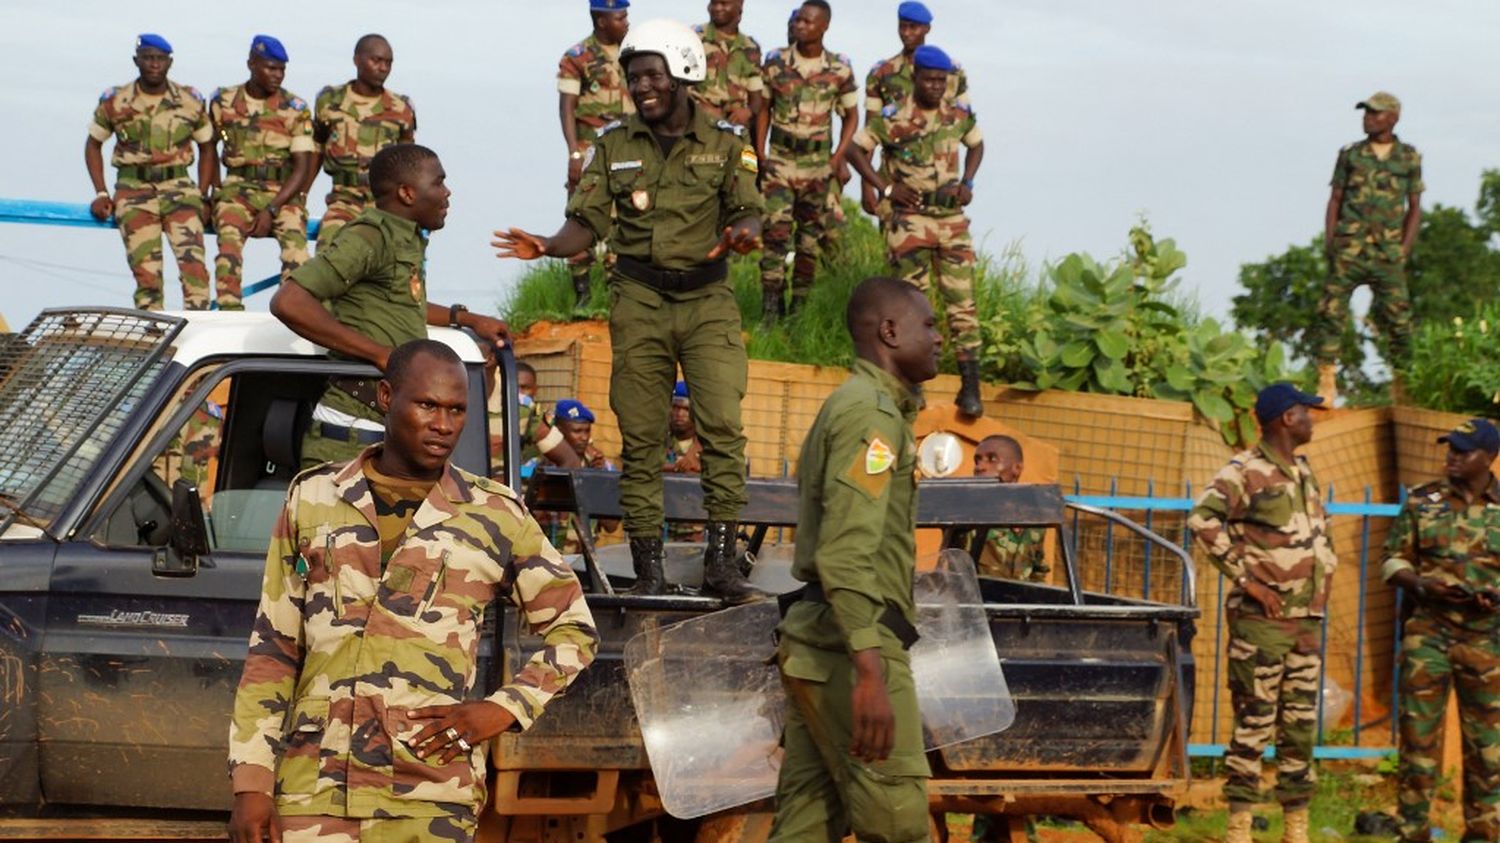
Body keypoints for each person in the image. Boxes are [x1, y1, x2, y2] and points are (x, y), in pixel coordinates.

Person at [226, 339, 599, 843]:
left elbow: (574, 631)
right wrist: (252, 782)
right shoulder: (314, 497)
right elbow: (273, 648)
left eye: (456, 410)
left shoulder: (493, 514)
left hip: (430, 794)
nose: (443, 425)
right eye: (427, 405)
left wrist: (504, 708)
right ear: (386, 398)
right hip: (314, 791)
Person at [492, 19, 766, 604]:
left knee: (721, 426)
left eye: (651, 75)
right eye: (633, 76)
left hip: (707, 300)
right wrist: (546, 244)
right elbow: (585, 224)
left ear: (683, 74)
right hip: (639, 298)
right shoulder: (613, 145)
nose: (640, 86)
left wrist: (743, 234)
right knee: (641, 437)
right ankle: (649, 567)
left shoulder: (725, 142)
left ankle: (723, 563)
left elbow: (749, 212)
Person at [770, 276, 942, 843]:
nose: (939, 338)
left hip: (822, 644)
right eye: (929, 325)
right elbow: (844, 552)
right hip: (851, 650)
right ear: (890, 331)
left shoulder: (863, 406)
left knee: (807, 822)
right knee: (897, 824)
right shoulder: (872, 416)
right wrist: (870, 669)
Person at [270, 143, 507, 468]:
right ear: (408, 193)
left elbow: (403, 304)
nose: (447, 192)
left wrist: (466, 318)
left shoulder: (404, 239)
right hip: (351, 431)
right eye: (438, 182)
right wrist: (379, 355)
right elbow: (290, 301)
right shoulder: (370, 238)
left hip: (384, 430)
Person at [1187, 383, 1336, 843]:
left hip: (1306, 620)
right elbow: (1203, 520)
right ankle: (1239, 827)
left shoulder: (1303, 469)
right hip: (1262, 622)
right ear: (1287, 418)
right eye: (1307, 412)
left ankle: (1296, 826)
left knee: (1299, 725)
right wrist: (1246, 580)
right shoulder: (1244, 471)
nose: (1313, 419)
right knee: (1254, 722)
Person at [846, 44, 986, 417]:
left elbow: (977, 144)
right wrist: (886, 188)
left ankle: (971, 385)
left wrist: (968, 182)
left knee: (963, 304)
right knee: (912, 304)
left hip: (951, 218)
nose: (937, 86)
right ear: (916, 78)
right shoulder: (893, 117)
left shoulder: (957, 112)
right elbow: (855, 151)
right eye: (931, 80)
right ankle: (913, 385)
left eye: (943, 80)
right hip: (911, 222)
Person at [1381, 418, 1500, 843]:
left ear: (1488, 458)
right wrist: (1419, 584)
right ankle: (1412, 832)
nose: (1451, 456)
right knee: (1417, 746)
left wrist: (1492, 597)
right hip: (1427, 635)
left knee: (1488, 750)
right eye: (1449, 448)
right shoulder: (1421, 501)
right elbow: (1392, 560)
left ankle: (1484, 833)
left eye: (1462, 450)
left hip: (1488, 641)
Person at [85, 33, 217, 311]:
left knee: (195, 271)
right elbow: (93, 144)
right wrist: (100, 192)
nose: (154, 65)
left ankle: (200, 336)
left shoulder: (189, 101)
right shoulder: (116, 101)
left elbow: (208, 148)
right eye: (148, 58)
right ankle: (155, 338)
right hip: (134, 192)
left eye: (160, 59)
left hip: (179, 190)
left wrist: (203, 194)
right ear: (137, 61)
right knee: (147, 276)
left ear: (170, 62)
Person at [1315, 91, 1422, 406]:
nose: (1368, 118)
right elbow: (1335, 199)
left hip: (1387, 252)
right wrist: (1331, 241)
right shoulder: (1350, 154)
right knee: (1331, 311)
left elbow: (1414, 207)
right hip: (1350, 248)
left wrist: (1404, 248)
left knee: (1399, 320)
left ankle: (1403, 387)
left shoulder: (1409, 157)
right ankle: (1326, 383)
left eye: (1375, 114)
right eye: (1366, 113)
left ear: (1392, 118)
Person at [756, 0, 858, 326]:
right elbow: (763, 111)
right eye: (799, 20)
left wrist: (837, 158)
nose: (801, 26)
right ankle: (771, 309)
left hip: (817, 167)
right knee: (774, 235)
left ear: (823, 26)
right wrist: (760, 155)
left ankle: (798, 310)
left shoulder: (839, 69)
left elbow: (852, 116)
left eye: (809, 22)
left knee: (809, 241)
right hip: (781, 162)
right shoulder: (775, 62)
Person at [208, 35, 314, 311]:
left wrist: (272, 209)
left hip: (282, 193)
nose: (277, 75)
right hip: (236, 189)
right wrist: (210, 193)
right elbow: (208, 149)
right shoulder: (224, 101)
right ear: (251, 64)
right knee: (228, 248)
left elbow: (302, 166)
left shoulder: (295, 108)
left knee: (297, 254)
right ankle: (229, 315)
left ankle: (291, 312)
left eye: (281, 69)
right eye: (270, 68)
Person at [860, 1, 969, 223]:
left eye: (913, 27)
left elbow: (964, 124)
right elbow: (870, 131)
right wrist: (867, 186)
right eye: (903, 26)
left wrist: (966, 182)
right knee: (897, 249)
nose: (906, 33)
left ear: (926, 29)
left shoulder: (951, 71)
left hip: (941, 180)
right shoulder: (882, 73)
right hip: (899, 178)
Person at [558, 0, 634, 309]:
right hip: (591, 150)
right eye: (620, 17)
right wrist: (574, 153)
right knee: (583, 215)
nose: (626, 22)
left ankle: (619, 295)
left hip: (629, 149)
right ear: (602, 21)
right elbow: (567, 106)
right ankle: (583, 298)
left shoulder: (635, 53)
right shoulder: (578, 57)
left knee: (625, 222)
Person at [311, 34, 417, 250]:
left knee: (396, 261)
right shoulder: (330, 101)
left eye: (388, 63)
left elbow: (411, 165)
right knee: (328, 256)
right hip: (344, 199)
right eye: (376, 60)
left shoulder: (400, 109)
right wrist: (300, 196)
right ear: (357, 60)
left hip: (386, 204)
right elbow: (315, 150)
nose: (383, 68)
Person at [972, 435, 1048, 583]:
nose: (980, 467)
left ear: (1017, 469)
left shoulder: (1034, 521)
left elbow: (1038, 572)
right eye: (977, 460)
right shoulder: (969, 516)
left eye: (992, 459)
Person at [487, 359, 580, 479]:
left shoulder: (530, 415)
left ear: (535, 389)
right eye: (516, 387)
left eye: (524, 387)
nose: (519, 393)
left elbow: (569, 461)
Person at [692, 0, 764, 130]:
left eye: (724, 3)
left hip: (733, 127)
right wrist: (698, 107)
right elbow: (676, 84)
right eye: (714, 3)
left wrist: (747, 112)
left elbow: (756, 96)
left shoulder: (750, 47)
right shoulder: (694, 37)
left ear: (739, 6)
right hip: (698, 122)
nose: (717, 8)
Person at [664, 380, 704, 474]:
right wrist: (676, 467)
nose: (679, 414)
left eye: (686, 409)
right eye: (675, 407)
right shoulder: (657, 439)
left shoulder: (708, 442)